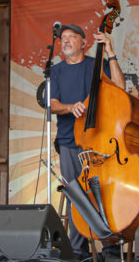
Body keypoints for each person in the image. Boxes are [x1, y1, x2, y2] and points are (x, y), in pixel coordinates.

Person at [49, 23, 124, 261]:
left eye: (72, 37)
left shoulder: (95, 64)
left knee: (103, 193)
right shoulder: (57, 70)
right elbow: (52, 104)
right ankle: (78, 252)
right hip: (69, 141)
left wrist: (110, 51)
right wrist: (70, 107)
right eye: (63, 38)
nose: (66, 41)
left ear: (84, 42)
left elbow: (120, 87)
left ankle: (111, 249)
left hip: (98, 140)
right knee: (77, 195)